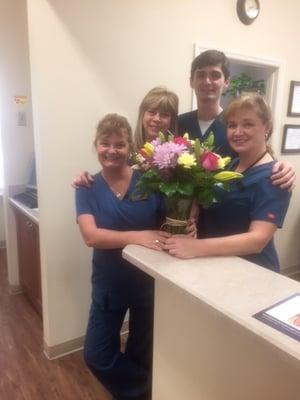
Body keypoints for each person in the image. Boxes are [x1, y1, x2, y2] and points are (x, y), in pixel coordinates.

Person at [75, 113, 171, 400]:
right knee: (97, 355)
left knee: (142, 351)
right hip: (109, 285)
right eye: (106, 143)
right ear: (97, 145)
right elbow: (91, 236)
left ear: (130, 146)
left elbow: (168, 223)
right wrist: (138, 236)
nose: (112, 150)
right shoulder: (87, 187)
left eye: (119, 144)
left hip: (149, 285)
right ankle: (150, 391)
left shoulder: (149, 181)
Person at [164, 93, 291, 273]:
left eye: (248, 124)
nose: (238, 132)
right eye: (232, 125)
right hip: (218, 265)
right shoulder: (229, 165)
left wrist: (196, 247)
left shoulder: (275, 177)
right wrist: (194, 213)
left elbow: (257, 240)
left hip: (253, 271)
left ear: (267, 128)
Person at [178, 49, 295, 190]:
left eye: (215, 75)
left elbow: (258, 156)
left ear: (226, 82)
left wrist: (282, 167)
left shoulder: (235, 127)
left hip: (222, 206)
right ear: (191, 81)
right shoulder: (179, 123)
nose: (207, 81)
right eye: (201, 75)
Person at [72, 86, 179, 188]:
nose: (157, 119)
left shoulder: (178, 156)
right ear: (142, 115)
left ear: (172, 121)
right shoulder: (126, 152)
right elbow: (108, 180)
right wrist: (84, 177)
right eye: (151, 112)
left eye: (164, 115)